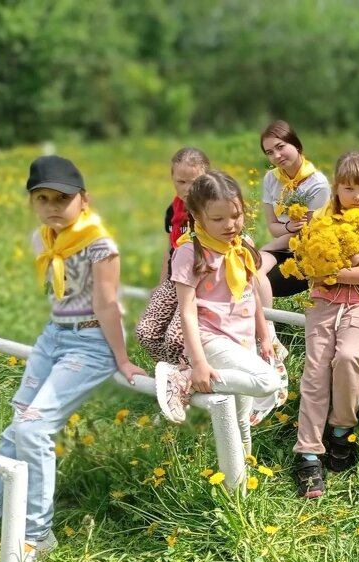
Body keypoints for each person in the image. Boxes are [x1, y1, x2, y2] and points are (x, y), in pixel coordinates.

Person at [0, 155, 145, 562]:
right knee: (14, 432)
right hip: (53, 337)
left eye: (63, 198)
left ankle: (37, 534)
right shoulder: (45, 238)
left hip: (91, 344)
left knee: (33, 428)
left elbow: (108, 305)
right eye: (43, 198)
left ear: (84, 200)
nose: (53, 206)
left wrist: (122, 360)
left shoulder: (100, 245)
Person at [154, 170, 285, 452]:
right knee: (267, 381)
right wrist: (199, 364)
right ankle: (183, 378)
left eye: (236, 215)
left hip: (243, 340)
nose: (230, 225)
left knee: (241, 422)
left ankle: (241, 488)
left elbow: (250, 295)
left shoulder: (242, 246)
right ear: (197, 215)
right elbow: (187, 312)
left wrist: (264, 337)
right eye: (218, 219)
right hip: (209, 339)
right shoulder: (190, 252)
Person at [292, 151, 359, 498]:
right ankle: (308, 452)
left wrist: (333, 271)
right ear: (335, 188)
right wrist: (347, 263)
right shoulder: (321, 219)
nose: (357, 196)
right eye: (348, 188)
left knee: (349, 356)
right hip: (323, 304)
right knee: (316, 368)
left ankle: (341, 428)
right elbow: (309, 268)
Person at [135, 147, 210, 364]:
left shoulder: (214, 207)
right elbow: (171, 249)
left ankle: (193, 373)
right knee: (146, 332)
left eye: (194, 182)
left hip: (204, 281)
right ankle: (175, 371)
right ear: (173, 179)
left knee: (176, 338)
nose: (187, 189)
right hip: (175, 279)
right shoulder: (173, 209)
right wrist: (161, 283)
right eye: (181, 182)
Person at [256, 120, 332, 308]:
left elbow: (303, 234)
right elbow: (273, 227)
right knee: (250, 272)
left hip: (306, 254)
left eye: (280, 147)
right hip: (281, 247)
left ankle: (265, 331)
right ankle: (268, 333)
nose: (277, 156)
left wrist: (265, 248)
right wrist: (286, 228)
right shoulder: (271, 179)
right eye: (269, 153)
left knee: (255, 279)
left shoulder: (317, 184)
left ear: (296, 144)